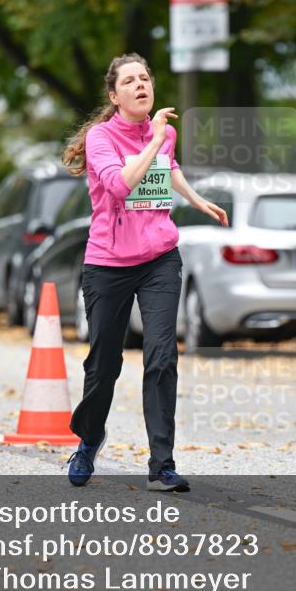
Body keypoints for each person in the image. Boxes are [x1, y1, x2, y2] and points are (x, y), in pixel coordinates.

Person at [61, 53, 229, 491]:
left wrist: (196, 199)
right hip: (108, 265)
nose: (141, 85)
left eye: (145, 78)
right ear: (115, 96)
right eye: (130, 81)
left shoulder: (165, 133)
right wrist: (153, 140)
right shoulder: (101, 138)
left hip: (158, 260)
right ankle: (90, 438)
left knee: (161, 355)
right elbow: (120, 184)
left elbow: (166, 167)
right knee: (104, 365)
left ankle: (162, 465)